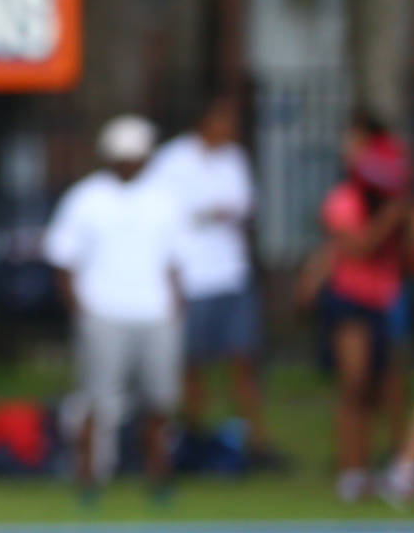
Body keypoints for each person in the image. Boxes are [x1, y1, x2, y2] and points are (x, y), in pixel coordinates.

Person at [45, 116, 187, 501]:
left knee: (159, 403)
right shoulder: (86, 197)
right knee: (96, 401)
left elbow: (175, 261)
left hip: (156, 314)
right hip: (103, 312)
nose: (129, 163)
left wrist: (176, 306)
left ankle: (158, 478)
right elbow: (62, 257)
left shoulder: (164, 199)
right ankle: (89, 478)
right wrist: (81, 309)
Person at [296, 116, 414, 504]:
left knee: (389, 389)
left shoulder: (398, 208)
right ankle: (352, 471)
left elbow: (413, 257)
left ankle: (397, 466)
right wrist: (390, 219)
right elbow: (355, 247)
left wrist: (407, 222)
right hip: (350, 300)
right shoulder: (345, 200)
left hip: (386, 300)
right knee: (354, 385)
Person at [142, 92, 265, 450]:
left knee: (242, 359)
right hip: (193, 278)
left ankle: (255, 442)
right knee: (190, 363)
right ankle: (193, 438)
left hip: (231, 274)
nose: (231, 128)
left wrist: (207, 213)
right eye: (224, 119)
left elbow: (242, 206)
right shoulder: (172, 160)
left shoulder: (234, 159)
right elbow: (167, 213)